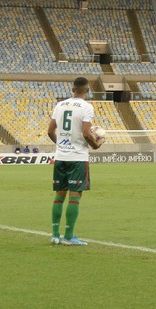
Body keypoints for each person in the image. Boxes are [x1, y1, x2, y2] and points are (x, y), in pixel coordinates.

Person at [47, 77, 105, 246]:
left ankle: (55, 235)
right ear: (87, 90)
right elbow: (87, 133)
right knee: (75, 196)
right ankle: (69, 236)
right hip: (78, 157)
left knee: (59, 195)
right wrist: (95, 145)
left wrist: (61, 145)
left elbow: (50, 131)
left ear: (73, 89)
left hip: (61, 157)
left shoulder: (60, 105)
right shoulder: (87, 107)